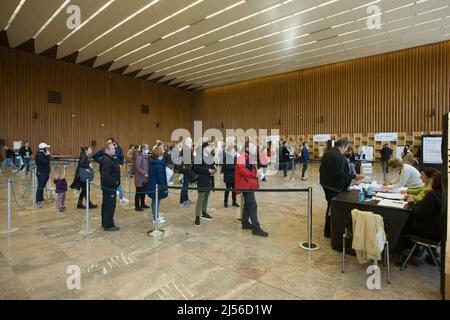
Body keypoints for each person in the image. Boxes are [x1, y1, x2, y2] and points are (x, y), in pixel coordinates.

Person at [320, 139, 364, 237]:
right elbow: (339, 174)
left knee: (330, 206)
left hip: (326, 184)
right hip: (334, 186)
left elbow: (322, 169)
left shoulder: (327, 153)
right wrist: (354, 176)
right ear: (344, 146)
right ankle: (329, 231)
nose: (346, 150)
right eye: (347, 148)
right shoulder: (339, 156)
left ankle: (328, 230)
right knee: (332, 208)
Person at [403, 172, 442, 263]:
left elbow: (419, 214)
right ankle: (432, 255)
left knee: (405, 224)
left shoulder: (432, 196)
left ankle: (413, 255)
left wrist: (411, 202)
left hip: (430, 232)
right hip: (440, 231)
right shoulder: (442, 194)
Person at [236, 142, 268, 237]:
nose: (255, 148)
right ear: (247, 148)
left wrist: (257, 173)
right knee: (253, 205)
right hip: (246, 185)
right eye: (252, 146)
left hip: (248, 184)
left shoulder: (248, 156)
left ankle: (245, 223)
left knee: (248, 204)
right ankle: (256, 228)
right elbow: (243, 171)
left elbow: (250, 169)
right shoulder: (242, 157)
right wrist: (255, 175)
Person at [93, 138, 129, 205]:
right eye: (107, 143)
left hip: (115, 172)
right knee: (110, 187)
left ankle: (121, 197)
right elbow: (94, 156)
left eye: (110, 142)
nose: (108, 144)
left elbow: (122, 157)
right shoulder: (103, 150)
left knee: (118, 184)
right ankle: (118, 196)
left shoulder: (117, 150)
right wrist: (101, 161)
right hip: (108, 175)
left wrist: (120, 164)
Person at [100, 142, 121, 231]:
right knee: (109, 206)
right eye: (112, 149)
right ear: (107, 150)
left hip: (109, 186)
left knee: (107, 205)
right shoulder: (107, 160)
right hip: (109, 187)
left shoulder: (109, 158)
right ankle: (108, 225)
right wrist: (115, 182)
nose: (114, 150)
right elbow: (105, 176)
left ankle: (105, 223)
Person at [193, 142, 215, 226]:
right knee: (201, 198)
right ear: (204, 148)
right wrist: (208, 170)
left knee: (206, 197)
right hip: (202, 180)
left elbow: (212, 166)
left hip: (209, 180)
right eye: (209, 147)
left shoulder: (210, 157)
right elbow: (196, 168)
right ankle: (197, 217)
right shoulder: (198, 157)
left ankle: (204, 212)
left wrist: (213, 169)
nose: (211, 148)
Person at [147, 147, 168, 225]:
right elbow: (161, 178)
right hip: (157, 187)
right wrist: (164, 187)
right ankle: (155, 219)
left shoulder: (152, 162)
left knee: (154, 201)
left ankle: (156, 216)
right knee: (156, 202)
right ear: (159, 155)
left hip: (153, 185)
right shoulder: (159, 164)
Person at [179, 138, 194, 207]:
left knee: (186, 184)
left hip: (187, 168)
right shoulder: (186, 149)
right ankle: (182, 201)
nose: (192, 143)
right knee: (185, 185)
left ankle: (186, 198)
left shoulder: (187, 148)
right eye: (191, 142)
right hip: (186, 169)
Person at [134, 144, 150, 212]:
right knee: (139, 192)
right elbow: (137, 167)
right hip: (140, 177)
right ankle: (137, 206)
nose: (148, 150)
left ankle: (143, 204)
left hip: (144, 177)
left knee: (143, 192)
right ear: (143, 149)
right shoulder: (139, 156)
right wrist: (144, 173)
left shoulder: (145, 156)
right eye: (147, 148)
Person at [35, 143, 51, 208]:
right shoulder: (39, 155)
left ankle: (41, 199)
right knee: (40, 187)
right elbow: (46, 162)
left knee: (42, 187)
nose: (47, 149)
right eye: (46, 148)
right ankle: (38, 201)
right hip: (41, 173)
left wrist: (47, 155)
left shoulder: (43, 154)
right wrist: (48, 155)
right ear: (43, 148)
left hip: (45, 173)